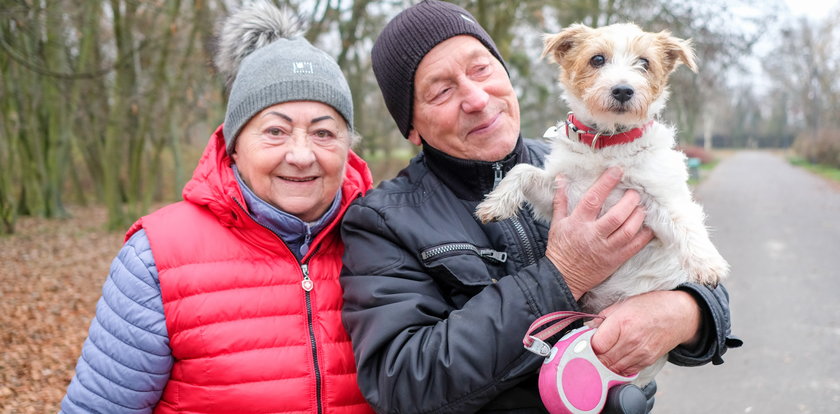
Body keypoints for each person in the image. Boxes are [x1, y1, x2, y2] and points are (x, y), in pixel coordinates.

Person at [339, 1, 741, 413]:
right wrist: (563, 275)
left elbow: (703, 274)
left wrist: (685, 312)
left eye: (481, 69)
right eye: (441, 90)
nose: (476, 98)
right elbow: (404, 384)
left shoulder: (572, 158)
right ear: (411, 127)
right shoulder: (382, 222)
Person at [60, 2, 374, 413]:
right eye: (275, 131)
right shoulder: (156, 257)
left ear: (347, 148)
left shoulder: (382, 241)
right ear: (235, 145)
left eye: (324, 132)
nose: (301, 154)